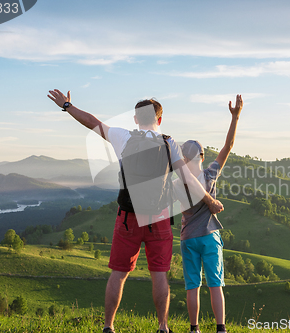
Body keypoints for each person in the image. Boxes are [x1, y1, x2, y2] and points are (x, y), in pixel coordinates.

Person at [47, 89, 224, 333]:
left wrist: (67, 106)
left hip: (127, 218)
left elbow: (92, 123)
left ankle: (108, 326)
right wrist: (209, 200)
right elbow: (187, 179)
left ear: (135, 119)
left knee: (119, 273)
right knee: (159, 274)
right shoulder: (168, 143)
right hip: (159, 218)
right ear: (159, 120)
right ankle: (162, 326)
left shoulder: (124, 137)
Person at [173, 95, 243, 333]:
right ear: (202, 157)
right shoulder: (210, 174)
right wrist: (235, 117)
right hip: (210, 236)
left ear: (183, 159)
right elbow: (228, 147)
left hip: (188, 238)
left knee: (192, 285)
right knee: (215, 284)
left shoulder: (176, 183)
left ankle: (194, 328)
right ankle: (220, 328)